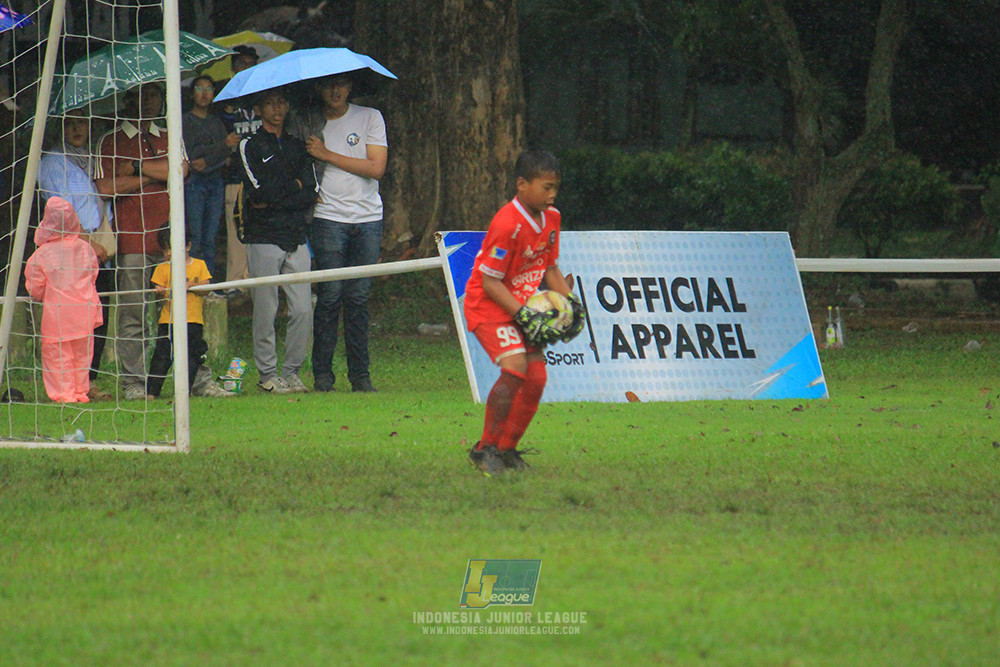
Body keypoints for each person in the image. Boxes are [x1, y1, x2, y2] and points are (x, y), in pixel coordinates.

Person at [463, 151, 584, 474]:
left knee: (537, 378)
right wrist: (523, 314)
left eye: (555, 187)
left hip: (520, 305)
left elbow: (551, 268)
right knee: (515, 367)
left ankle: (506, 450)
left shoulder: (552, 218)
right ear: (521, 185)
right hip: (489, 304)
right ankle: (484, 448)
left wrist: (572, 305)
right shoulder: (507, 223)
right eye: (546, 187)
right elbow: (489, 281)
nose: (552, 194)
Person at [289, 73, 387, 393]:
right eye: (329, 84)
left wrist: (327, 154)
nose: (336, 90)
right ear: (318, 88)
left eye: (342, 83)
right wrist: (306, 191)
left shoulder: (370, 117)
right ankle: (322, 375)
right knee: (329, 297)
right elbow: (293, 163)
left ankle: (361, 376)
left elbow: (376, 168)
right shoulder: (308, 123)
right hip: (328, 217)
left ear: (350, 87)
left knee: (358, 299)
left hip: (368, 218)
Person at [94, 82, 189, 401]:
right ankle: (133, 382)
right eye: (143, 95)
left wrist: (136, 170)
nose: (149, 102)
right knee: (134, 314)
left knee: (183, 309)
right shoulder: (110, 140)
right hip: (132, 239)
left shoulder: (169, 131)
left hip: (170, 240)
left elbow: (182, 170)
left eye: (154, 95)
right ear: (128, 99)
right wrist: (157, 174)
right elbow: (105, 186)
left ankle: (192, 376)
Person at [238, 88, 317, 394]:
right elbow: (258, 192)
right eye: (271, 103)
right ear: (259, 108)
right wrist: (291, 189)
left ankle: (292, 371)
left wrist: (284, 193)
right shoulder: (251, 145)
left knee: (302, 308)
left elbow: (310, 192)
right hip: (263, 236)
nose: (277, 108)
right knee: (266, 308)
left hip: (296, 236)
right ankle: (267, 374)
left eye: (282, 102)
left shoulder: (299, 146)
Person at [36, 108, 116, 401]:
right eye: (71, 123)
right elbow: (61, 211)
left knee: (98, 315)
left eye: (82, 122)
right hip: (72, 249)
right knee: (71, 322)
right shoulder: (51, 162)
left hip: (101, 242)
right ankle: (67, 385)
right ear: (61, 127)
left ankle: (89, 380)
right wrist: (87, 243)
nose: (78, 129)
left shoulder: (95, 158)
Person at [24, 197, 102, 403]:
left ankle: (63, 393)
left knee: (57, 355)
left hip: (57, 314)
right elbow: (93, 275)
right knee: (82, 354)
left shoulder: (42, 255)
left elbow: (35, 286)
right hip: (85, 310)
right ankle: (79, 391)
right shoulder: (86, 249)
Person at [147, 227, 233, 399]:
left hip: (193, 321)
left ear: (187, 246)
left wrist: (192, 286)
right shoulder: (162, 268)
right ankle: (151, 392)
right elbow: (157, 288)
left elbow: (206, 287)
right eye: (165, 249)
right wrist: (161, 290)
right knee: (162, 356)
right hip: (168, 321)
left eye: (171, 248)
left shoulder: (199, 265)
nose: (168, 253)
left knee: (192, 356)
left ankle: (185, 390)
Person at [182, 74, 239, 278]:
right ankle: (193, 281)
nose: (204, 93)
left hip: (216, 180)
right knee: (195, 236)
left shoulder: (216, 121)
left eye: (208, 89)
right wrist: (220, 148)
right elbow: (193, 157)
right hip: (195, 183)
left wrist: (211, 158)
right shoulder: (186, 121)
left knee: (211, 235)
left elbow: (226, 155)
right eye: (199, 89)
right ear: (192, 94)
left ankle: (209, 282)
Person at [219, 45, 262, 290]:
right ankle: (236, 284)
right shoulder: (224, 97)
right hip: (235, 175)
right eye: (242, 64)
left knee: (261, 229)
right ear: (234, 68)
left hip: (262, 176)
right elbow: (214, 135)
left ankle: (258, 280)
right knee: (236, 232)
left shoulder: (264, 95)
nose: (247, 69)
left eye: (251, 64)